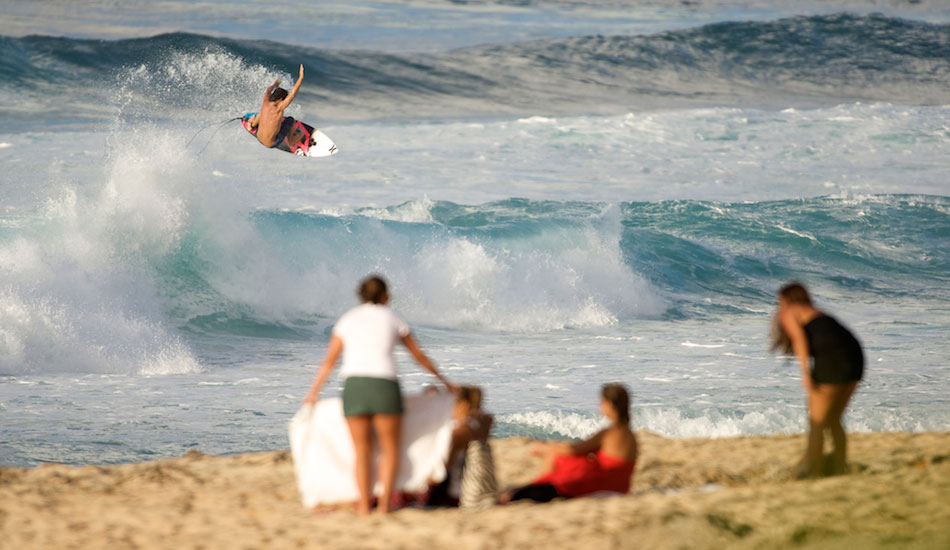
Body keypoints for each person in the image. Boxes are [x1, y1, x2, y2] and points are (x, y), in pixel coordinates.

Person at [303, 275, 456, 515]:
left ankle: (364, 505)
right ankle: (384, 505)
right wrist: (446, 382)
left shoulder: (347, 320)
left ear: (360, 295)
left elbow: (329, 362)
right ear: (386, 295)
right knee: (389, 448)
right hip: (384, 385)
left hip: (355, 386)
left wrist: (313, 393)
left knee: (361, 450)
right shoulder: (393, 318)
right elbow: (419, 357)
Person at [771, 281, 864, 478]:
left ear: (786, 300)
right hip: (856, 357)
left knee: (817, 422)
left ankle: (816, 472)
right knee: (833, 419)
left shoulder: (789, 312)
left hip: (833, 359)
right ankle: (840, 468)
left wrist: (805, 374)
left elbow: (800, 341)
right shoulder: (815, 312)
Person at [502, 384, 638, 503]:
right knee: (558, 456)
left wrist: (548, 448)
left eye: (602, 402)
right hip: (620, 486)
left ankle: (529, 488)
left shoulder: (610, 433)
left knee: (555, 462)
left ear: (609, 405)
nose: (600, 405)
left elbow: (574, 449)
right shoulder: (629, 434)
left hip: (601, 484)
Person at [426, 386, 493, 507]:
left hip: (454, 494)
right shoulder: (480, 426)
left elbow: (444, 470)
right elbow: (485, 417)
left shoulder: (459, 433)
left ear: (462, 405)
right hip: (473, 489)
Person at [246, 64, 305, 149]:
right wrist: (301, 77)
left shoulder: (266, 101)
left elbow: (268, 90)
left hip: (259, 137)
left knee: (261, 112)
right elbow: (292, 94)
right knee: (290, 120)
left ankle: (252, 125)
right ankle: (291, 141)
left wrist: (275, 84)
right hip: (271, 144)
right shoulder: (279, 108)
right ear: (281, 99)